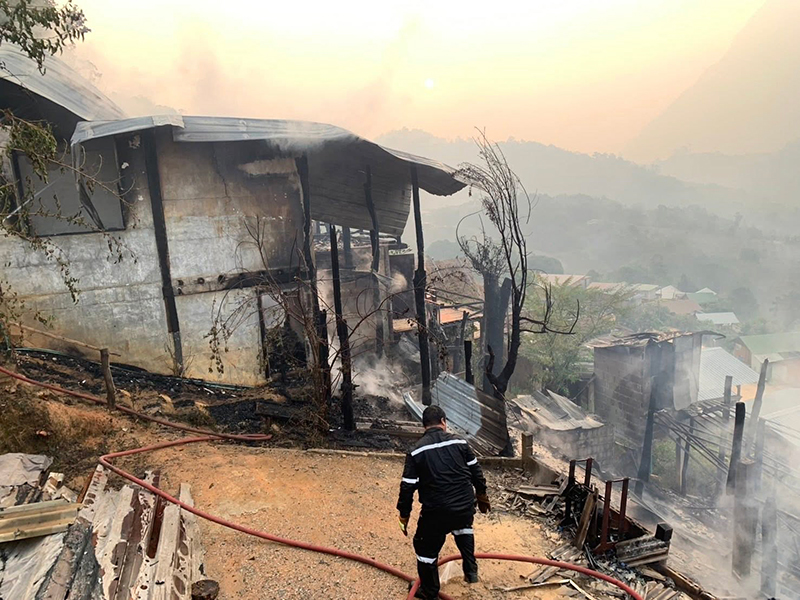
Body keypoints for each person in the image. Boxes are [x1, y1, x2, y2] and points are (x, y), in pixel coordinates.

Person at [396, 405, 490, 599]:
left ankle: (429, 591)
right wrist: (481, 495)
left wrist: (404, 515)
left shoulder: (415, 451)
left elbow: (407, 487)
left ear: (423, 426)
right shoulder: (461, 443)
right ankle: (471, 571)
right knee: (463, 526)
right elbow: (476, 472)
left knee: (424, 548)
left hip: (436, 512)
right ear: (444, 422)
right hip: (464, 506)